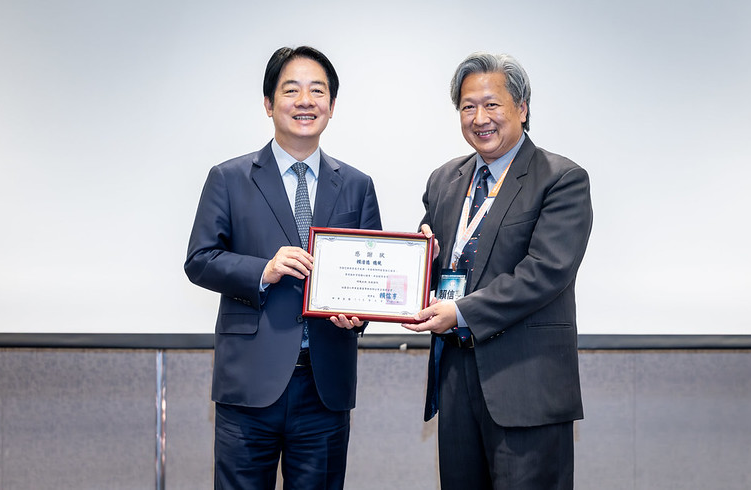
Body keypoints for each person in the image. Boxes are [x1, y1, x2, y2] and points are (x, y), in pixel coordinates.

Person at [185, 46, 382, 490]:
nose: (305, 101)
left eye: (318, 91)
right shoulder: (228, 178)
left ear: (332, 105)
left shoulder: (357, 185)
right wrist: (264, 270)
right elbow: (200, 260)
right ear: (269, 104)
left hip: (324, 387)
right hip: (249, 385)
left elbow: (369, 283)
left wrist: (359, 316)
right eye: (291, 90)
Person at [402, 52, 593, 489]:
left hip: (526, 386)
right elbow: (433, 265)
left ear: (521, 109)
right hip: (456, 379)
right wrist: (420, 263)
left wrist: (460, 312)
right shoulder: (444, 180)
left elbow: (546, 271)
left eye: (492, 104)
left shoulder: (560, 178)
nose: (479, 118)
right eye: (468, 106)